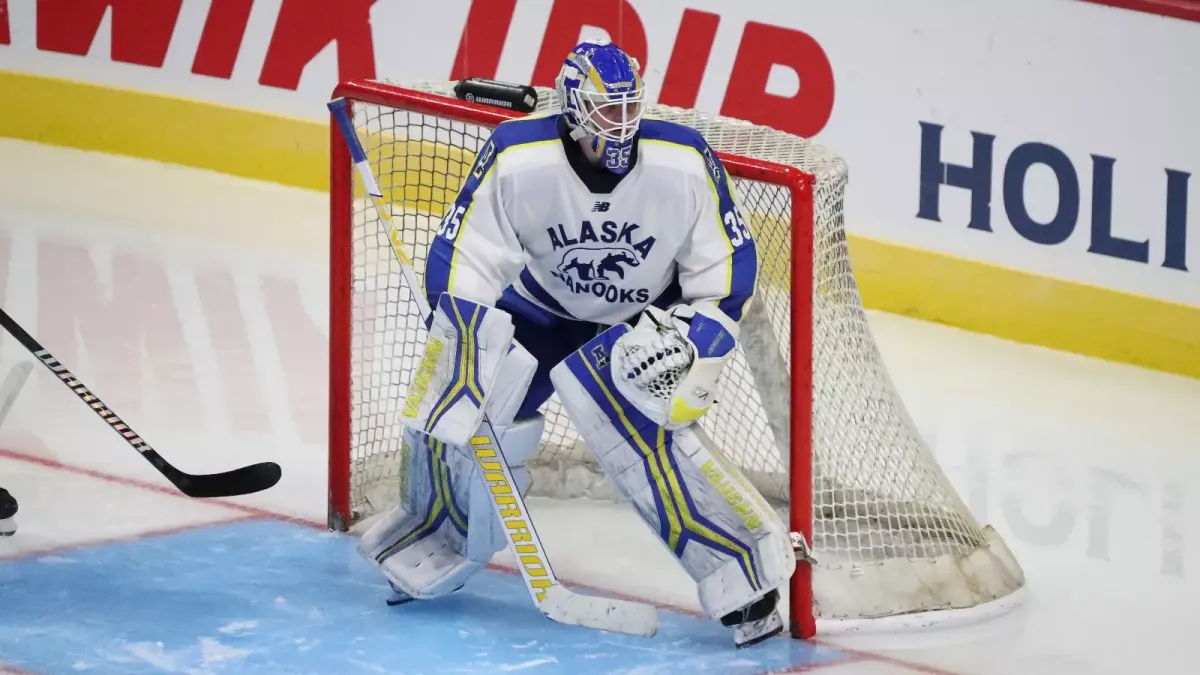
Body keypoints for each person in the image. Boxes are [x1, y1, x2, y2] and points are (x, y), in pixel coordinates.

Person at [357, 38, 794, 648]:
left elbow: (725, 265)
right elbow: (468, 252)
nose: (621, 124)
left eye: (628, 108)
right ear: (571, 106)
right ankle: (435, 542)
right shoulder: (519, 157)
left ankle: (743, 580)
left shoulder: (682, 160)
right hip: (543, 311)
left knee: (653, 446)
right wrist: (462, 322)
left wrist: (700, 342)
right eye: (605, 110)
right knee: (458, 403)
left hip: (639, 326)